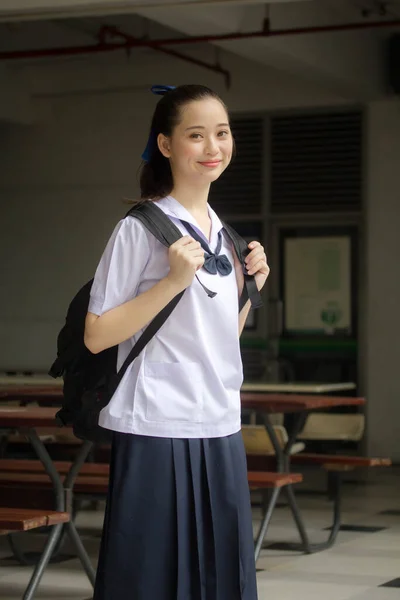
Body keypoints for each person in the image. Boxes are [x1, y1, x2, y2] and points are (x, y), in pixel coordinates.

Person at [85, 84, 270, 600]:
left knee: (221, 577)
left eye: (222, 133)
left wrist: (250, 289)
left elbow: (220, 342)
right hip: (155, 422)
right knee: (149, 578)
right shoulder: (141, 228)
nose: (213, 146)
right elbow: (97, 334)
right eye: (196, 135)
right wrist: (170, 281)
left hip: (218, 420)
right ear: (165, 145)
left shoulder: (225, 237)